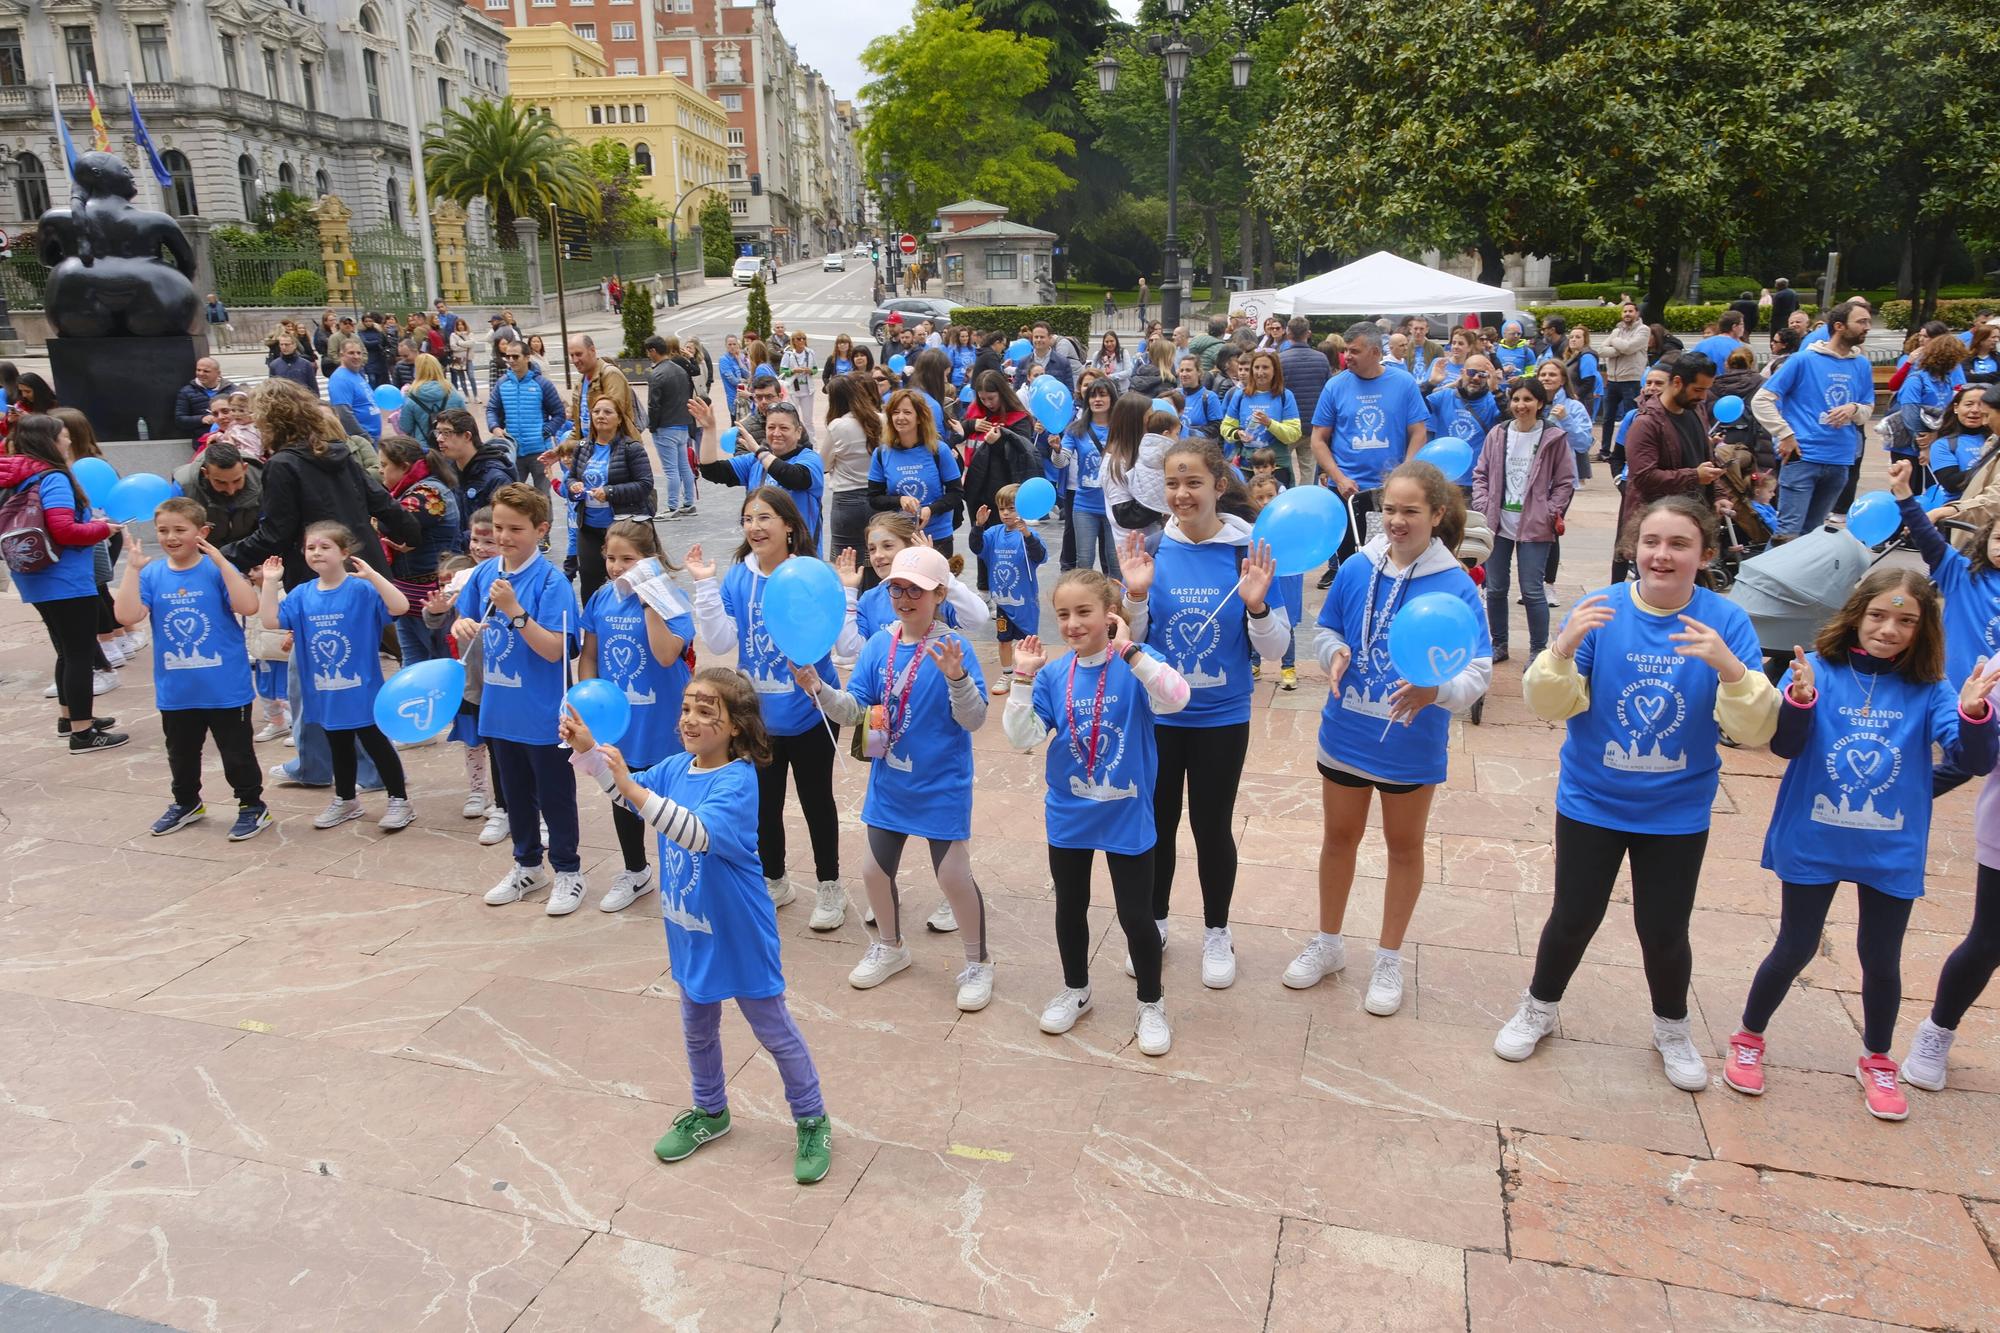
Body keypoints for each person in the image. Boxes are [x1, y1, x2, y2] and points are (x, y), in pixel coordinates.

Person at [1495, 497, 1779, 1089]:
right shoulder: (1600, 610)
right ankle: (1539, 1006)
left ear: (1704, 555)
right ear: (1632, 547)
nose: (1662, 555)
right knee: (1572, 917)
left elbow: (1754, 732)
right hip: (1592, 801)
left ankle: (1671, 1027)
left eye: (1679, 544)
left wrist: (1732, 670)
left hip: (1676, 811)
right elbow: (1550, 705)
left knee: (1664, 928)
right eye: (1651, 541)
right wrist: (1562, 648)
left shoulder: (1727, 623)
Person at [1722, 570, 1999, 1119]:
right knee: (1795, 946)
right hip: (1813, 838)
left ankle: (1877, 1056)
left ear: (1924, 631)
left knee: (1881, 958)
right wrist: (1798, 702)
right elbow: (1785, 746)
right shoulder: (1817, 671)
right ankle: (1749, 1036)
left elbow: (1974, 761)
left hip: (1888, 848)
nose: (1889, 629)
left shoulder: (1931, 689)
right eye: (1878, 615)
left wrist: (1972, 715)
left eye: (1906, 620)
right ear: (1856, 614)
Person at [562, 669, 832, 1184]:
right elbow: (630, 795)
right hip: (689, 927)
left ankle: (812, 1117)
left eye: (707, 711)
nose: (690, 719)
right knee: (697, 1029)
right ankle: (711, 1111)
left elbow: (696, 832)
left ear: (735, 727)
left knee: (773, 1030)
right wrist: (590, 752)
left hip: (740, 932)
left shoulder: (738, 779)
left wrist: (630, 789)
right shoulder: (675, 768)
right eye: (687, 708)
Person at [1286, 461, 1491, 1013]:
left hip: (1410, 741)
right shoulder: (1356, 568)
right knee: (1339, 838)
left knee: (1404, 848)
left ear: (1438, 514)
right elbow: (1327, 626)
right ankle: (1328, 943)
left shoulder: (1456, 585)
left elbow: (1479, 668)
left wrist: (1437, 692)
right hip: (1347, 729)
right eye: (1390, 511)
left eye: (1410, 511)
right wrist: (1333, 654)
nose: (1397, 522)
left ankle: (1388, 957)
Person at [1117, 439, 1289, 988]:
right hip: (1159, 717)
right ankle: (1157, 922)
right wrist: (1136, 597)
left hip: (1221, 717)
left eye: (1193, 482)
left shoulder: (1249, 553)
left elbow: (1275, 649)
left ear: (1219, 484)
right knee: (1157, 825)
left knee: (1211, 826)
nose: (1182, 493)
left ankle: (1218, 930)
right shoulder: (1151, 551)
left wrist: (1258, 605)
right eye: (1172, 483)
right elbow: (1133, 643)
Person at [798, 545, 995, 1008]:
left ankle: (978, 962)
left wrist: (958, 678)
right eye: (897, 589)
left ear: (940, 594)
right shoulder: (877, 646)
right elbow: (854, 709)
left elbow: (974, 720)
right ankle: (890, 946)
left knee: (952, 875)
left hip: (941, 783)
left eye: (917, 590)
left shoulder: (955, 647)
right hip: (890, 781)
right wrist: (819, 689)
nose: (905, 598)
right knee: (872, 869)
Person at [1005, 569, 1192, 1053]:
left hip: (1127, 812)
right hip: (1070, 814)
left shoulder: (1137, 664)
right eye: (1063, 614)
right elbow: (1022, 737)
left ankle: (1151, 1002)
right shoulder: (1053, 674)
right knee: (1070, 907)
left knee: (1135, 915)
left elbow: (1176, 699)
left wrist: (1130, 651)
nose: (1072, 624)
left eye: (1083, 612)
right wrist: (1022, 679)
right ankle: (1076, 989)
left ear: (1109, 615)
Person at [687, 488, 844, 913]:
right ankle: (775, 878)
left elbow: (841, 644)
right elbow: (720, 639)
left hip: (812, 711)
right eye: (748, 519)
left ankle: (830, 885)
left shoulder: (810, 573)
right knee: (764, 804)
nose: (754, 527)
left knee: (816, 801)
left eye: (764, 518)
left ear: (789, 525)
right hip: (759, 719)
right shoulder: (739, 576)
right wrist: (704, 586)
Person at [451, 483, 589, 914]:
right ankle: (527, 865)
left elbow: (556, 649)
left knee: (554, 794)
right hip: (499, 709)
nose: (504, 537)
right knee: (513, 795)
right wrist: (461, 625)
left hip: (542, 712)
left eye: (516, 528)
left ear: (540, 529)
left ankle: (568, 870)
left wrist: (515, 611)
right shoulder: (483, 573)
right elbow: (465, 615)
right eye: (498, 527)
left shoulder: (551, 582)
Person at [111, 498, 265, 834]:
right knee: (180, 753)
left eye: (180, 529)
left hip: (226, 687)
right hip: (177, 689)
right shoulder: (151, 573)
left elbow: (248, 606)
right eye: (163, 530)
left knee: (237, 754)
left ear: (203, 531)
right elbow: (125, 615)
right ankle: (186, 802)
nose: (171, 537)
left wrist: (223, 562)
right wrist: (132, 569)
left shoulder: (214, 569)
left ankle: (252, 805)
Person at [259, 524, 413, 831]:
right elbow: (270, 619)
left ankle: (400, 800)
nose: (316, 553)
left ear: (344, 552)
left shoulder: (362, 590)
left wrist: (374, 576)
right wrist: (269, 583)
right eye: (310, 548)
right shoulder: (302, 594)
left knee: (376, 743)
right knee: (338, 745)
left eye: (325, 547)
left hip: (362, 689)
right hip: (323, 691)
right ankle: (346, 800)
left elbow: (400, 606)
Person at [577, 519, 695, 913]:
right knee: (622, 795)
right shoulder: (600, 599)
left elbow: (665, 655)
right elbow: (590, 657)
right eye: (611, 558)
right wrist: (587, 704)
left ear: (651, 560)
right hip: (619, 724)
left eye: (628, 559)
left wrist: (649, 600)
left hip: (664, 722)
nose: (616, 567)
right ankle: (635, 871)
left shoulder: (671, 599)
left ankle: (682, 874)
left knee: (671, 801)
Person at [2, 415, 126, 750]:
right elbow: (64, 530)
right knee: (79, 654)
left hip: (36, 576)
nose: (69, 441)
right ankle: (83, 733)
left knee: (65, 650)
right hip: (65, 579)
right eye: (64, 436)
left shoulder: (20, 478)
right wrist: (103, 528)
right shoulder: (53, 478)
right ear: (49, 441)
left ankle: (69, 716)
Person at [1472, 375, 1576, 662]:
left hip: (1535, 525)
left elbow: (1566, 481)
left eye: (1528, 399)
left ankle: (1537, 649)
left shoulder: (1553, 437)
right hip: (1497, 524)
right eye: (1516, 399)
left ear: (1540, 403)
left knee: (1532, 590)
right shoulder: (1498, 434)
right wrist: (1483, 504)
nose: (1521, 405)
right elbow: (1481, 473)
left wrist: (1549, 510)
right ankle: (1499, 644)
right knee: (1494, 588)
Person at [1310, 327, 1431, 574]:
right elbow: (1318, 439)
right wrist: (1339, 478)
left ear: (1375, 352)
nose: (1347, 356)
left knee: (1394, 562)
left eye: (1354, 351)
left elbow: (1418, 432)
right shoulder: (1335, 386)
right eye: (1345, 350)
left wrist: (1405, 472)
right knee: (1350, 566)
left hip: (1390, 492)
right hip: (1347, 493)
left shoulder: (1403, 383)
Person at [1754, 299, 1875, 537]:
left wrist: (1853, 408)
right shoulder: (1803, 360)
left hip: (1840, 460)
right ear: (1839, 326)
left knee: (1813, 535)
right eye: (1861, 321)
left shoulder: (1861, 364)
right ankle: (1766, 575)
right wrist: (1785, 434)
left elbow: (1868, 409)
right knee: (1788, 533)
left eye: (1869, 322)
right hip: (1804, 457)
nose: (1868, 327)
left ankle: (1800, 575)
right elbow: (1761, 400)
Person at [1614, 353, 1720, 584]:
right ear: (1678, 382)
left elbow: (1706, 458)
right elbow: (1643, 477)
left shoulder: (1696, 411)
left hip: (1693, 521)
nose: (1702, 397)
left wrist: (1719, 495)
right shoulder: (1646, 423)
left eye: (1705, 391)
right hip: (1661, 523)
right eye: (1698, 390)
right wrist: (1694, 476)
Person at [693, 395, 825, 546]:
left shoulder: (810, 459)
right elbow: (712, 471)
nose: (776, 433)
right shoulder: (754, 461)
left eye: (784, 428)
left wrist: (760, 452)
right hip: (762, 555)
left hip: (800, 556)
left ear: (798, 431)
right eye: (771, 427)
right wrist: (709, 429)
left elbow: (793, 477)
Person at [378, 434, 462, 666]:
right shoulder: (410, 491)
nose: (380, 471)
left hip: (432, 598)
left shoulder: (429, 493)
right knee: (413, 666)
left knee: (441, 664)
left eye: (384, 465)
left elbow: (392, 523)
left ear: (404, 466)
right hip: (410, 597)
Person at [564, 393, 655, 603]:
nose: (600, 416)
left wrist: (610, 492)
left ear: (619, 418)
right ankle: (592, 624)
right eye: (596, 411)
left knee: (629, 579)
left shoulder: (632, 448)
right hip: (589, 527)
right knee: (589, 580)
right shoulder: (582, 448)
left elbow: (645, 485)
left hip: (623, 526)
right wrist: (573, 486)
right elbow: (571, 478)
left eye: (607, 412)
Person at [972, 484, 1046, 692]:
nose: (1005, 513)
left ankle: (1032, 674)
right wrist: (978, 526)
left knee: (1028, 641)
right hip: (1003, 602)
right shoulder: (994, 533)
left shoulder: (1028, 535)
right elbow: (976, 547)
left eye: (1011, 508)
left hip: (1026, 602)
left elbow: (1039, 556)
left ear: (1023, 508)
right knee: (1003, 640)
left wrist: (1028, 536)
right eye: (1002, 509)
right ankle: (1006, 674)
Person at [487, 343, 568, 495]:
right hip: (514, 451)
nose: (511, 360)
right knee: (513, 496)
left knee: (542, 496)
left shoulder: (542, 384)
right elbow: (492, 409)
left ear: (527, 357)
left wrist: (546, 431)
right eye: (508, 356)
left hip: (540, 451)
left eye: (515, 356)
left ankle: (545, 520)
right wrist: (495, 427)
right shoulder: (502, 383)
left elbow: (559, 413)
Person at [431, 408, 514, 548]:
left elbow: (499, 524)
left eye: (446, 432)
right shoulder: (446, 471)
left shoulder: (495, 476)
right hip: (456, 555)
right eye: (438, 432)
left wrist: (455, 542)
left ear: (467, 436)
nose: (439, 439)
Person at [1062, 379, 1120, 578]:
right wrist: (1055, 451)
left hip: (1115, 504)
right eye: (1093, 395)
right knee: (1084, 562)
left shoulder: (1123, 428)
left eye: (1102, 394)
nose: (1097, 399)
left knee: (1116, 563)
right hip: (1085, 505)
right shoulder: (1076, 429)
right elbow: (1062, 461)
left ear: (1112, 398)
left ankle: (1116, 606)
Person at [820, 372, 880, 565]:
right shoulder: (881, 419)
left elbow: (824, 465)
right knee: (877, 560)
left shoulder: (838, 426)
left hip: (846, 500)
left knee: (846, 562)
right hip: (877, 497)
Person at [171, 438, 264, 547]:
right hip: (203, 552)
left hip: (251, 550)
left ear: (245, 468)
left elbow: (269, 529)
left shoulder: (263, 479)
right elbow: (178, 536)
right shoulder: (183, 487)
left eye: (237, 480)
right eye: (221, 482)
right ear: (205, 473)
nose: (231, 490)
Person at [1222, 350, 1302, 477]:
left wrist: (1269, 423)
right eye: (1256, 367)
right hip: (1247, 467)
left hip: (1276, 467)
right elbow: (1226, 427)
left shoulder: (1285, 396)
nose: (1260, 372)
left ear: (1275, 370)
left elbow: (1293, 434)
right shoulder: (1240, 395)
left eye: (1265, 367)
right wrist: (1238, 434)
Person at [1598, 302, 1651, 461]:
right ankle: (1605, 450)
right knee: (1608, 418)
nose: (1627, 314)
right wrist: (1619, 347)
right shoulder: (1616, 331)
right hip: (1613, 380)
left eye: (1630, 311)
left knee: (1631, 416)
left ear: (1637, 313)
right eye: (1625, 311)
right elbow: (1601, 350)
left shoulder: (1643, 330)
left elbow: (1629, 348)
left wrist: (1615, 343)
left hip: (1631, 380)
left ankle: (1629, 451)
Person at [567, 334, 635, 444]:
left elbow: (612, 421)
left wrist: (583, 446)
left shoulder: (610, 374)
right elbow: (578, 425)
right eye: (572, 355)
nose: (575, 360)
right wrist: (561, 450)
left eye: (579, 354)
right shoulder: (580, 382)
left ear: (592, 350)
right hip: (591, 448)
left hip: (613, 449)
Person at [1424, 355, 1502, 448]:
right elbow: (1416, 406)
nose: (1476, 378)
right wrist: (1430, 384)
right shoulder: (1444, 396)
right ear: (1462, 373)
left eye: (1482, 374)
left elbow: (1510, 422)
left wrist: (1496, 391)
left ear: (1488, 377)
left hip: (1478, 462)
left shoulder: (1493, 401)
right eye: (1471, 372)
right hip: (1442, 460)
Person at [399, 353, 465, 449]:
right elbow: (464, 420)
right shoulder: (451, 392)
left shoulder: (411, 396)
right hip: (451, 446)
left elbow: (405, 427)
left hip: (424, 448)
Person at [326, 341, 381, 440]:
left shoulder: (355, 374)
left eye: (359, 353)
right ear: (341, 355)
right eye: (351, 353)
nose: (356, 356)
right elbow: (344, 413)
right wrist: (363, 436)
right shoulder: (340, 379)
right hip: (362, 440)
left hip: (372, 436)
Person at [172, 357, 237, 440]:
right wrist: (201, 419)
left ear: (218, 373)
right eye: (198, 370)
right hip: (204, 441)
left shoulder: (233, 390)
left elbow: (245, 412)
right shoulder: (186, 392)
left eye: (206, 371)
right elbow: (180, 420)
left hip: (233, 438)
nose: (201, 374)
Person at [1015, 320, 1076, 392]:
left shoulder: (1062, 362)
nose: (1038, 340)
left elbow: (1069, 391)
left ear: (1049, 338)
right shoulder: (1023, 362)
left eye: (1042, 337)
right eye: (1036, 337)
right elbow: (1016, 390)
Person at [780, 330, 819, 427]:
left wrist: (810, 371)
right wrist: (793, 371)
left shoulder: (810, 353)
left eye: (804, 339)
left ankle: (811, 441)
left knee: (808, 419)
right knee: (794, 418)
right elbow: (782, 371)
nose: (802, 341)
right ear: (793, 341)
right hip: (793, 389)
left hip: (808, 390)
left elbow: (815, 369)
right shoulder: (788, 354)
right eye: (799, 339)